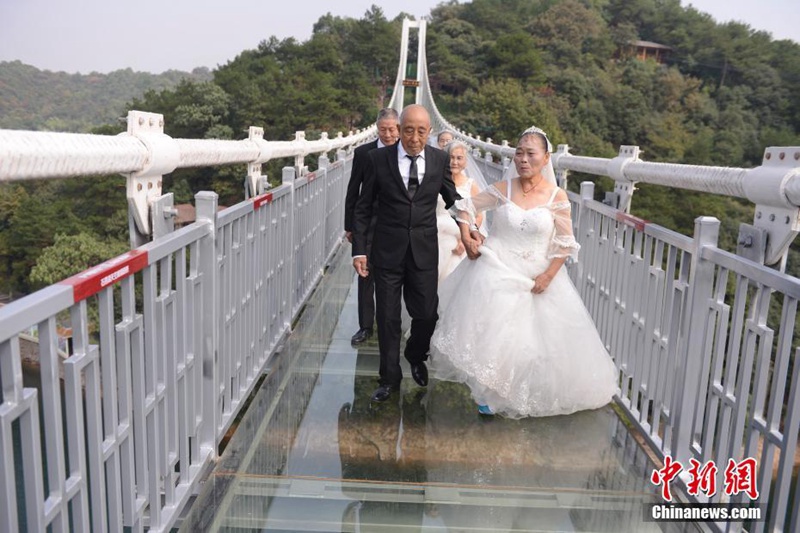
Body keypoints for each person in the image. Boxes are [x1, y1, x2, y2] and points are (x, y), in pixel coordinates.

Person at [429, 126, 617, 418]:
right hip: (495, 269)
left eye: (531, 154)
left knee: (529, 343)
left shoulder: (557, 196)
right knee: (494, 334)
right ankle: (490, 394)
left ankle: (516, 392)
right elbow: (465, 208)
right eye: (519, 152)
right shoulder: (503, 189)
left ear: (545, 159)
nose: (523, 159)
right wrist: (468, 235)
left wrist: (548, 276)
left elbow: (564, 243)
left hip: (536, 276)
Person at [352, 104, 461, 403]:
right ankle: (389, 379)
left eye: (421, 131)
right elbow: (362, 208)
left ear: (429, 132)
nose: (414, 137)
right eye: (408, 130)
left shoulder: (439, 159)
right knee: (387, 319)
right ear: (399, 130)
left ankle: (415, 354)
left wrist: (470, 228)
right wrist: (359, 250)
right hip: (386, 251)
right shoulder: (377, 159)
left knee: (426, 314)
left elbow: (453, 199)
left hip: (424, 251)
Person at [344, 108, 399, 345]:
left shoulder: (407, 152)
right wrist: (350, 225)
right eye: (383, 130)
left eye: (392, 129)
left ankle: (392, 325)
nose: (387, 135)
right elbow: (353, 189)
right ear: (376, 129)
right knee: (365, 275)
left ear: (399, 129)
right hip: (366, 222)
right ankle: (365, 327)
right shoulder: (363, 152)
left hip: (395, 223)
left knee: (394, 276)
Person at [436, 140, 485, 282]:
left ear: (465, 161)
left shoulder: (471, 185)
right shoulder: (436, 181)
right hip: (436, 236)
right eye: (451, 157)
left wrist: (466, 240)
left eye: (459, 158)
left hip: (460, 238)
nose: (454, 162)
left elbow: (479, 215)